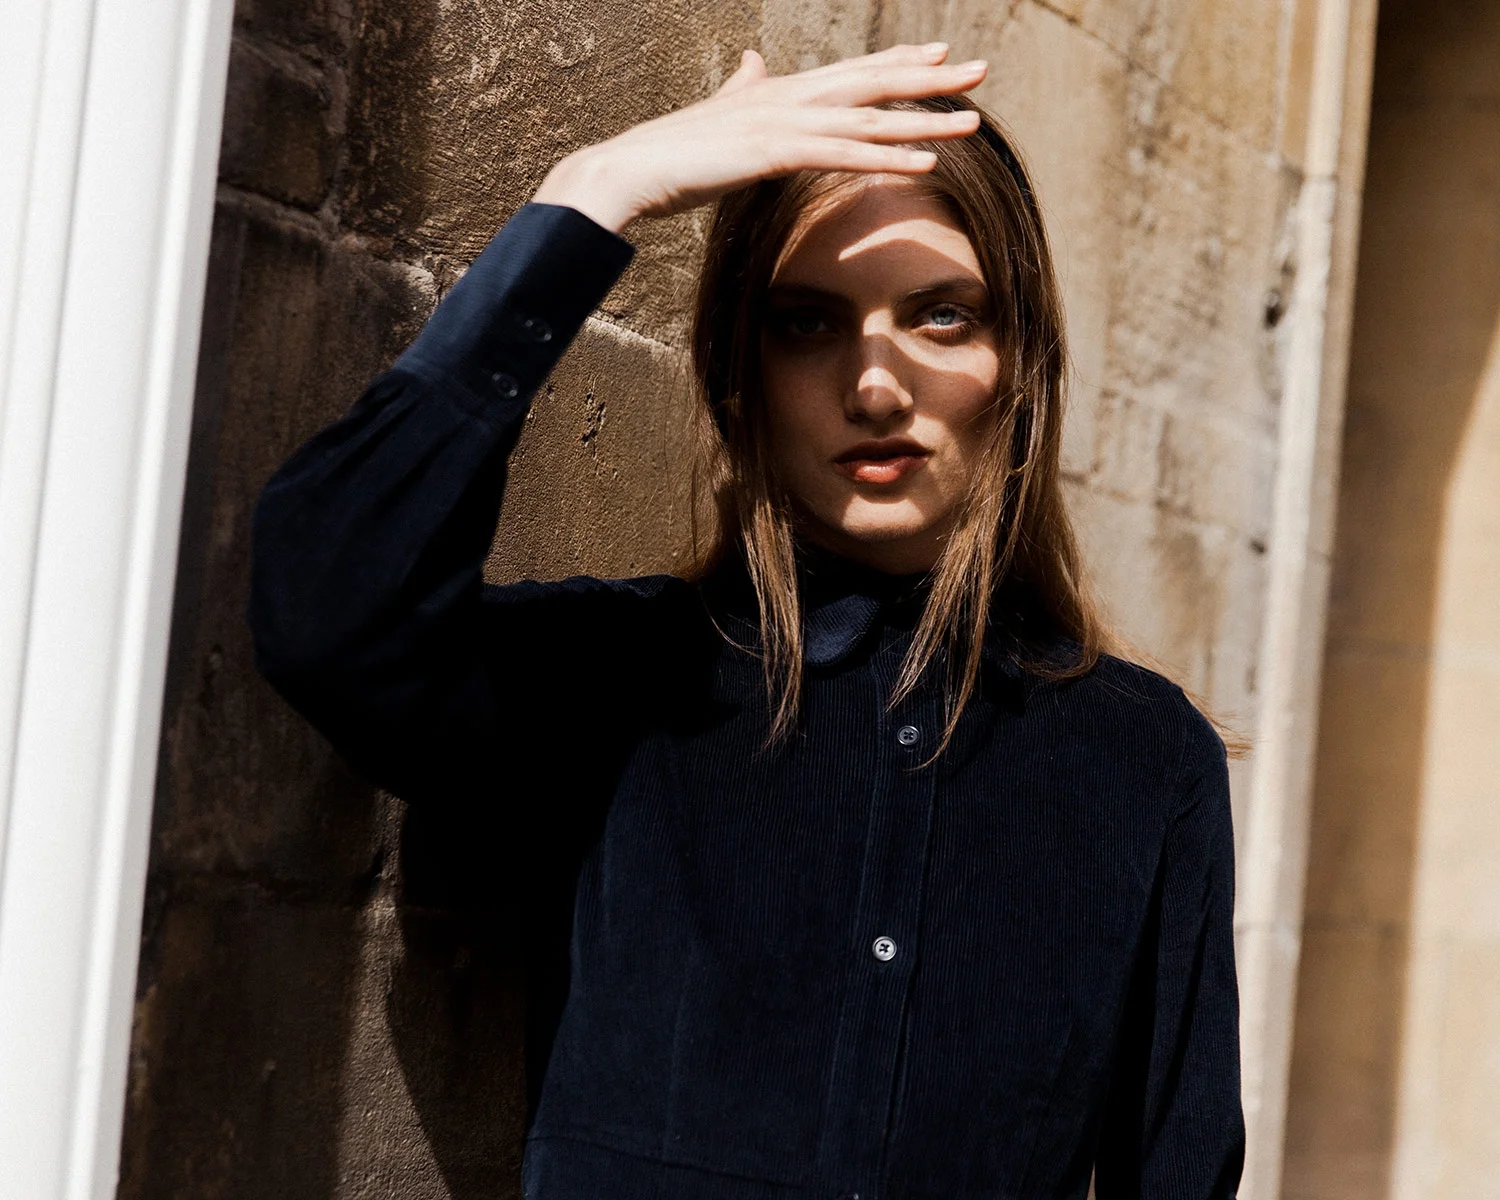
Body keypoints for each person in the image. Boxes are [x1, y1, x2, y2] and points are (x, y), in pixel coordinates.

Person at [248, 42, 1244, 1200]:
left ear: (1019, 365)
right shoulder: (622, 685)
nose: (876, 384)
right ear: (740, 379)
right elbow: (327, 610)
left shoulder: (1143, 764)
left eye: (942, 316)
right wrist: (594, 193)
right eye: (807, 324)